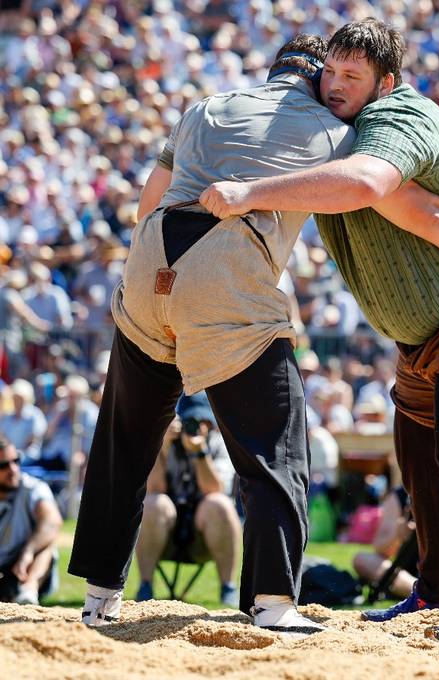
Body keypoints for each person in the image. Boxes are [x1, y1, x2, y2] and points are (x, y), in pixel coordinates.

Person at [199, 19, 439, 644]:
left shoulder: (398, 119)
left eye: (351, 78)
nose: (334, 87)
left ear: (385, 82)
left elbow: (394, 197)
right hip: (432, 330)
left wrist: (248, 190)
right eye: (329, 73)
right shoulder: (337, 134)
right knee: (418, 455)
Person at [67, 35, 355, 636]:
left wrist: (153, 279)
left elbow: (151, 198)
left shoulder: (208, 105)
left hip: (151, 258)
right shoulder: (332, 127)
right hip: (226, 263)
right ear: (318, 78)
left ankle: (99, 597)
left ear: (272, 70)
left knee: (123, 441)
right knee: (274, 447)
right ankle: (272, 602)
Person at [135, 394, 241, 607]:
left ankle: (228, 586)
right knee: (155, 503)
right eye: (191, 422)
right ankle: (145, 584)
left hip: (206, 538)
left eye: (203, 422)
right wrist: (161, 448)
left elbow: (215, 489)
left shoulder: (220, 445)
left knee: (218, 503)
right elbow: (154, 489)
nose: (197, 427)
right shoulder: (164, 442)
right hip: (163, 537)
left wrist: (199, 453)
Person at [0, 437, 63, 605]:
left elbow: (52, 522)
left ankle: (28, 593)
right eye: (3, 465)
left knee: (46, 545)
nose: (13, 469)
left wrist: (27, 552)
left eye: (16, 460)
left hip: (24, 568)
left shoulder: (32, 487)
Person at [352, 486, 416, 600]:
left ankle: (432, 593)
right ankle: (421, 592)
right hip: (408, 575)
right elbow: (380, 548)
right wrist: (397, 535)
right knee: (362, 559)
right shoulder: (401, 495)